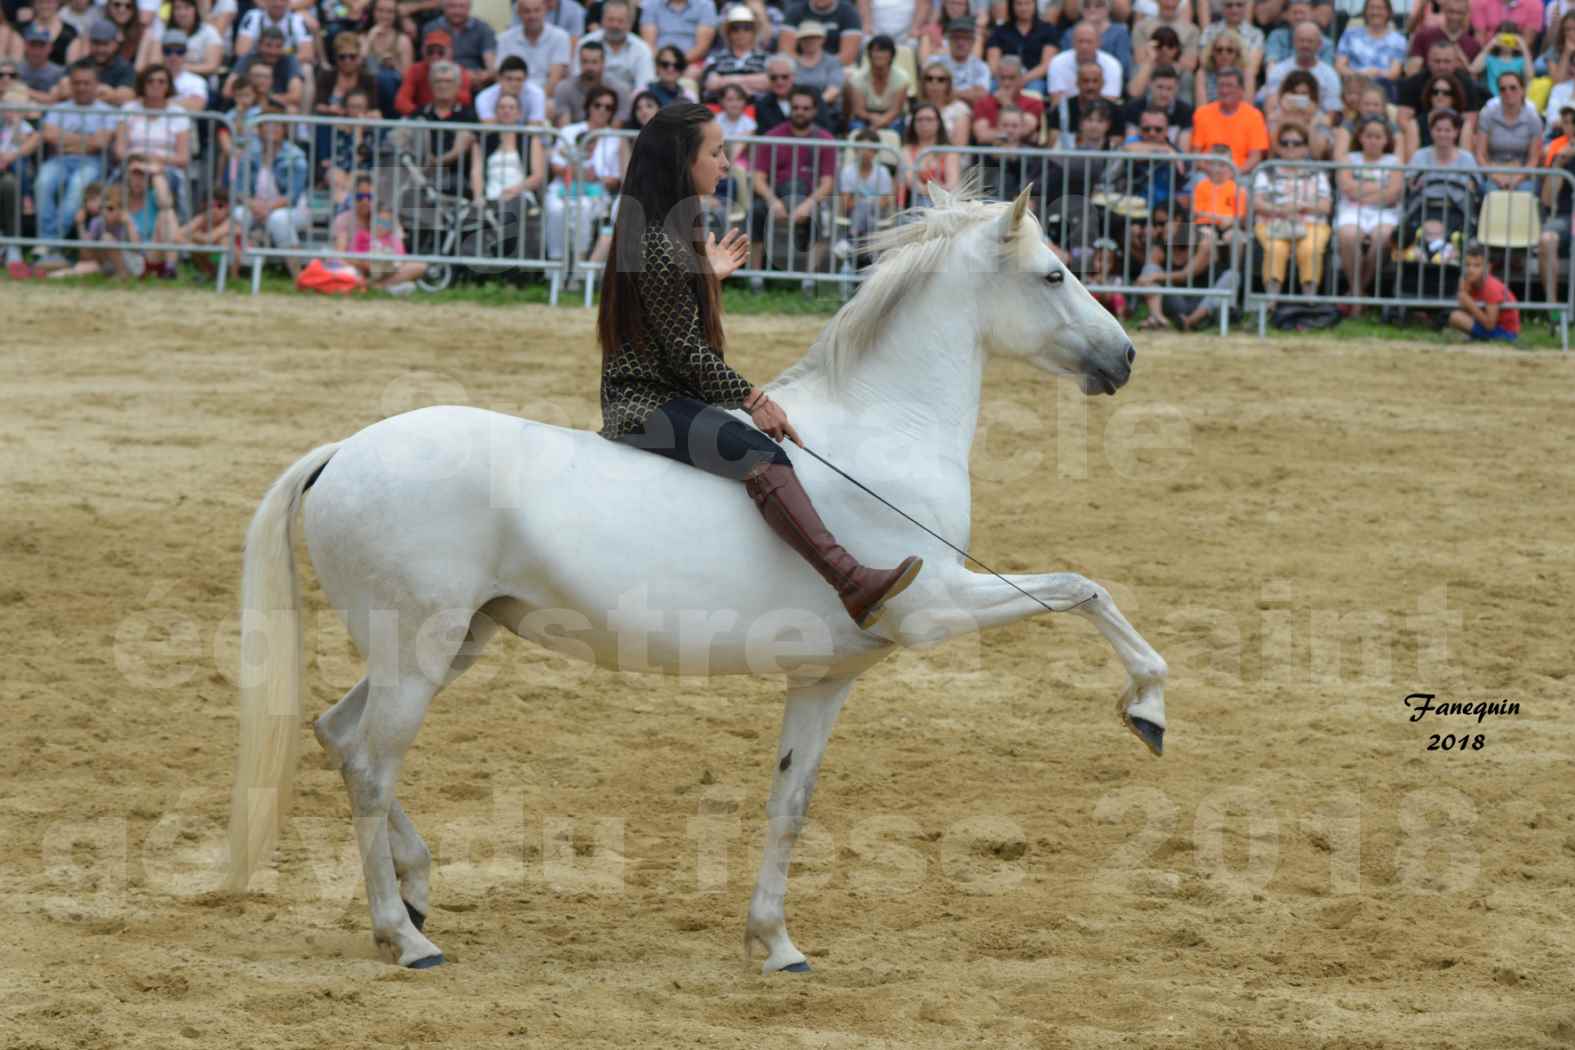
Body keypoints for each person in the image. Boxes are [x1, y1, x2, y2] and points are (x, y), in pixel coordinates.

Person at [596, 101, 923, 628]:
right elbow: (687, 351)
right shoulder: (660, 240)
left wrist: (706, 275)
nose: (726, 163)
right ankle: (850, 581)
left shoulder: (669, 230)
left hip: (666, 390)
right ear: (684, 160)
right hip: (646, 402)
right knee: (761, 454)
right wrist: (756, 400)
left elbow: (670, 316)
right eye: (717, 152)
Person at [749, 84, 835, 288]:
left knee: (823, 216)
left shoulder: (825, 140)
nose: (800, 112)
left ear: (814, 110)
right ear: (790, 108)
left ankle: (809, 280)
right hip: (777, 195)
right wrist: (772, 201)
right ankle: (754, 275)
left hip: (809, 197)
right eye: (796, 107)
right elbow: (758, 178)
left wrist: (808, 204)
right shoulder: (772, 136)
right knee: (756, 212)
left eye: (805, 108)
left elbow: (827, 183)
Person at [33, 59, 116, 264]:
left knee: (77, 186)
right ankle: (51, 244)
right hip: (60, 160)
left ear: (96, 85)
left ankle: (50, 243)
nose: (81, 87)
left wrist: (67, 140)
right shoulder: (58, 108)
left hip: (92, 162)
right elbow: (50, 136)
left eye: (86, 83)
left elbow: (100, 143)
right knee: (42, 182)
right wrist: (86, 141)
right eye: (77, 82)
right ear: (70, 84)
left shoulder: (107, 111)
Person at [1252, 121, 1332, 298]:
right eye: (1284, 143)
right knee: (1276, 248)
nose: (1290, 147)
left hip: (1312, 224)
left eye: (1296, 143)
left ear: (1305, 148)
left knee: (1310, 248)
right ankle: (1272, 302)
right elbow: (1257, 203)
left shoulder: (1317, 173)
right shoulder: (1266, 171)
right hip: (1272, 222)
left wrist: (1302, 206)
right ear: (1278, 147)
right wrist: (1280, 210)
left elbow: (1326, 206)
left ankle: (1309, 301)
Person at [544, 82, 620, 261]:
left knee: (583, 208)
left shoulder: (615, 138)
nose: (602, 110)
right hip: (563, 188)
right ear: (588, 106)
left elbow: (615, 179)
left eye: (608, 107)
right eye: (598, 105)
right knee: (556, 210)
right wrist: (581, 174)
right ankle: (556, 267)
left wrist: (596, 178)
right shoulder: (569, 131)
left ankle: (579, 265)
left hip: (596, 193)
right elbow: (556, 166)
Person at [232, 102, 310, 275]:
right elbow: (238, 189)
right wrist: (254, 205)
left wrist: (266, 208)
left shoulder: (296, 156)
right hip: (254, 206)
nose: (271, 129)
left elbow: (293, 196)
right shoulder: (248, 154)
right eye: (267, 124)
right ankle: (231, 274)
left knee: (279, 219)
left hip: (292, 209)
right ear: (258, 129)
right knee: (237, 215)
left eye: (277, 125)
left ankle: (299, 277)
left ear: (285, 129)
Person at [1334, 115, 1401, 308]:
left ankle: (1356, 292)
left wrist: (1361, 190)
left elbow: (1393, 193)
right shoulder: (1348, 158)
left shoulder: (1394, 162)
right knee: (1348, 236)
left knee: (1383, 237)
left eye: (1378, 136)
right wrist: (1379, 188)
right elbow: (1346, 187)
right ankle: (1358, 293)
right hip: (1351, 210)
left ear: (1386, 140)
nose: (1372, 140)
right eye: (1368, 135)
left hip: (1385, 212)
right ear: (1361, 138)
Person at [334, 173, 429, 290]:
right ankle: (386, 286)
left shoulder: (384, 217)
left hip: (385, 267)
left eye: (370, 197)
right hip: (357, 267)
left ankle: (377, 286)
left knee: (419, 266)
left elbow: (398, 250)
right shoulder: (344, 219)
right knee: (348, 272)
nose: (365, 201)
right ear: (352, 197)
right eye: (360, 197)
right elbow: (340, 256)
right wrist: (362, 264)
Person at [1191, 66, 1268, 172]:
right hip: (1208, 173)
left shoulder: (1254, 116)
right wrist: (1214, 173)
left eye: (1230, 86)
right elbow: (1196, 155)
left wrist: (1235, 174)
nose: (1224, 90)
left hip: (1241, 174)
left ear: (1241, 90)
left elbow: (1255, 157)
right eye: (1221, 85)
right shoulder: (1202, 113)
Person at [1474, 69, 1541, 191]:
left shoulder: (1533, 118)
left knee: (1525, 190)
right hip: (1493, 171)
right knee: (1491, 189)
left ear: (1522, 90)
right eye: (1503, 89)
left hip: (1522, 174)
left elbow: (1534, 159)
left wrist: (1517, 179)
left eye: (1513, 88)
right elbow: (1480, 154)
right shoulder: (1487, 114)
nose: (1508, 92)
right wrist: (1496, 177)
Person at [497, 0, 571, 103]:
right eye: (527, 11)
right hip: (512, 97)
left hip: (546, 98)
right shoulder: (504, 38)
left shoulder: (560, 37)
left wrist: (535, 102)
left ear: (545, 10)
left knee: (550, 107)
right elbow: (501, 76)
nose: (532, 16)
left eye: (537, 10)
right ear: (519, 13)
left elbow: (554, 80)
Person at [1335, 0, 1405, 100]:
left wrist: (1376, 73)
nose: (1375, 12)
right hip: (1353, 89)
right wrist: (1361, 75)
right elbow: (1339, 66)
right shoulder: (1349, 35)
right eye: (1371, 8)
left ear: (1388, 12)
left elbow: (1394, 73)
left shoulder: (1398, 40)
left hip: (1383, 91)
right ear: (1365, 11)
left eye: (1380, 8)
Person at [1449, 241, 1519, 340]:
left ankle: (1481, 338)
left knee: (1456, 317)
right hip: (1493, 328)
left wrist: (1468, 301)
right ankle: (1477, 337)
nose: (1471, 270)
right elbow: (1467, 313)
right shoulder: (1471, 283)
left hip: (1507, 333)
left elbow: (1490, 324)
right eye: (1467, 265)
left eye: (1477, 265)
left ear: (1488, 268)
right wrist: (1465, 291)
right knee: (1456, 317)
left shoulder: (1491, 287)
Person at [395, 28, 475, 115]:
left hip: (452, 117)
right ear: (423, 51)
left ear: (450, 52)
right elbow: (401, 101)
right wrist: (420, 115)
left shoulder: (459, 72)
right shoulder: (416, 70)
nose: (435, 56)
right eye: (430, 51)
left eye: (440, 52)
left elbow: (464, 100)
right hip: (423, 119)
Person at [843, 33, 908, 134]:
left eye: (884, 51)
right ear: (869, 54)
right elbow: (859, 110)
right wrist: (873, 119)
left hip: (891, 117)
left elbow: (895, 110)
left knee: (895, 128)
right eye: (876, 50)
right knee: (856, 128)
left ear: (891, 55)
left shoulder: (902, 78)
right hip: (865, 117)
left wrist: (880, 123)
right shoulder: (857, 78)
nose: (879, 55)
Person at [986, 0, 1056, 93]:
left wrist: (1023, 79)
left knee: (1034, 91)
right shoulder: (999, 31)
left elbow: (1046, 65)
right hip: (1004, 78)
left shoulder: (1048, 30)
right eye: (1019, 4)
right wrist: (1007, 79)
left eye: (1027, 3)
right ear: (1012, 6)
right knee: (989, 87)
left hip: (1033, 79)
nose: (1023, 8)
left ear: (1034, 5)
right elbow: (993, 64)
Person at [420, 0, 496, 87]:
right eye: (452, 6)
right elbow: (429, 61)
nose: (457, 11)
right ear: (443, 7)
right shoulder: (431, 28)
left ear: (469, 8)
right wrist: (462, 75)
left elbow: (490, 62)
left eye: (461, 6)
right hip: (441, 78)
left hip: (476, 81)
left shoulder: (483, 28)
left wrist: (485, 74)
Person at [897, 101, 957, 208]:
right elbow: (912, 182)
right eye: (919, 120)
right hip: (915, 203)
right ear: (913, 124)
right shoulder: (906, 150)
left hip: (943, 202)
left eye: (929, 119)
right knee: (924, 201)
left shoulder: (949, 151)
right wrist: (933, 191)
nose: (924, 123)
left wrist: (934, 192)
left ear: (938, 123)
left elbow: (952, 183)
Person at [360, 0, 413, 114]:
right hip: (367, 86)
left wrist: (394, 65)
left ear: (395, 15)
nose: (384, 15)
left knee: (386, 77)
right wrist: (370, 39)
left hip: (393, 89)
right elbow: (355, 65)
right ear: (373, 12)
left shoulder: (402, 40)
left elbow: (408, 77)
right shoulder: (364, 37)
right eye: (380, 11)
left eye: (389, 12)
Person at [1046, 21, 1119, 103]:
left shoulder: (1112, 64)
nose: (1084, 46)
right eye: (1080, 41)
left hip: (1101, 111)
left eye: (1089, 42)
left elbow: (1110, 101)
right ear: (1073, 42)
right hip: (1070, 111)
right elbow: (1057, 102)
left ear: (1099, 43)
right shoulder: (1058, 63)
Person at [639, 0, 717, 76]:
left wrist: (676, 64)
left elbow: (702, 47)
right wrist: (664, 64)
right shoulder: (651, 4)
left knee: (692, 73)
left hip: (691, 63)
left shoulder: (705, 4)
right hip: (658, 62)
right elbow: (649, 44)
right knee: (646, 71)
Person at [780, 0, 862, 67]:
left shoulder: (849, 12)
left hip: (837, 66)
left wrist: (823, 68)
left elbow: (848, 55)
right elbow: (785, 51)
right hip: (800, 65)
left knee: (850, 76)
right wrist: (805, 65)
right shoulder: (795, 11)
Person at [476, 54, 548, 122]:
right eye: (509, 79)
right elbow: (489, 128)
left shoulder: (536, 94)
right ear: (499, 78)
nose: (514, 84)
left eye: (519, 79)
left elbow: (535, 130)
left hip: (525, 134)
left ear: (526, 79)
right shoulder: (485, 97)